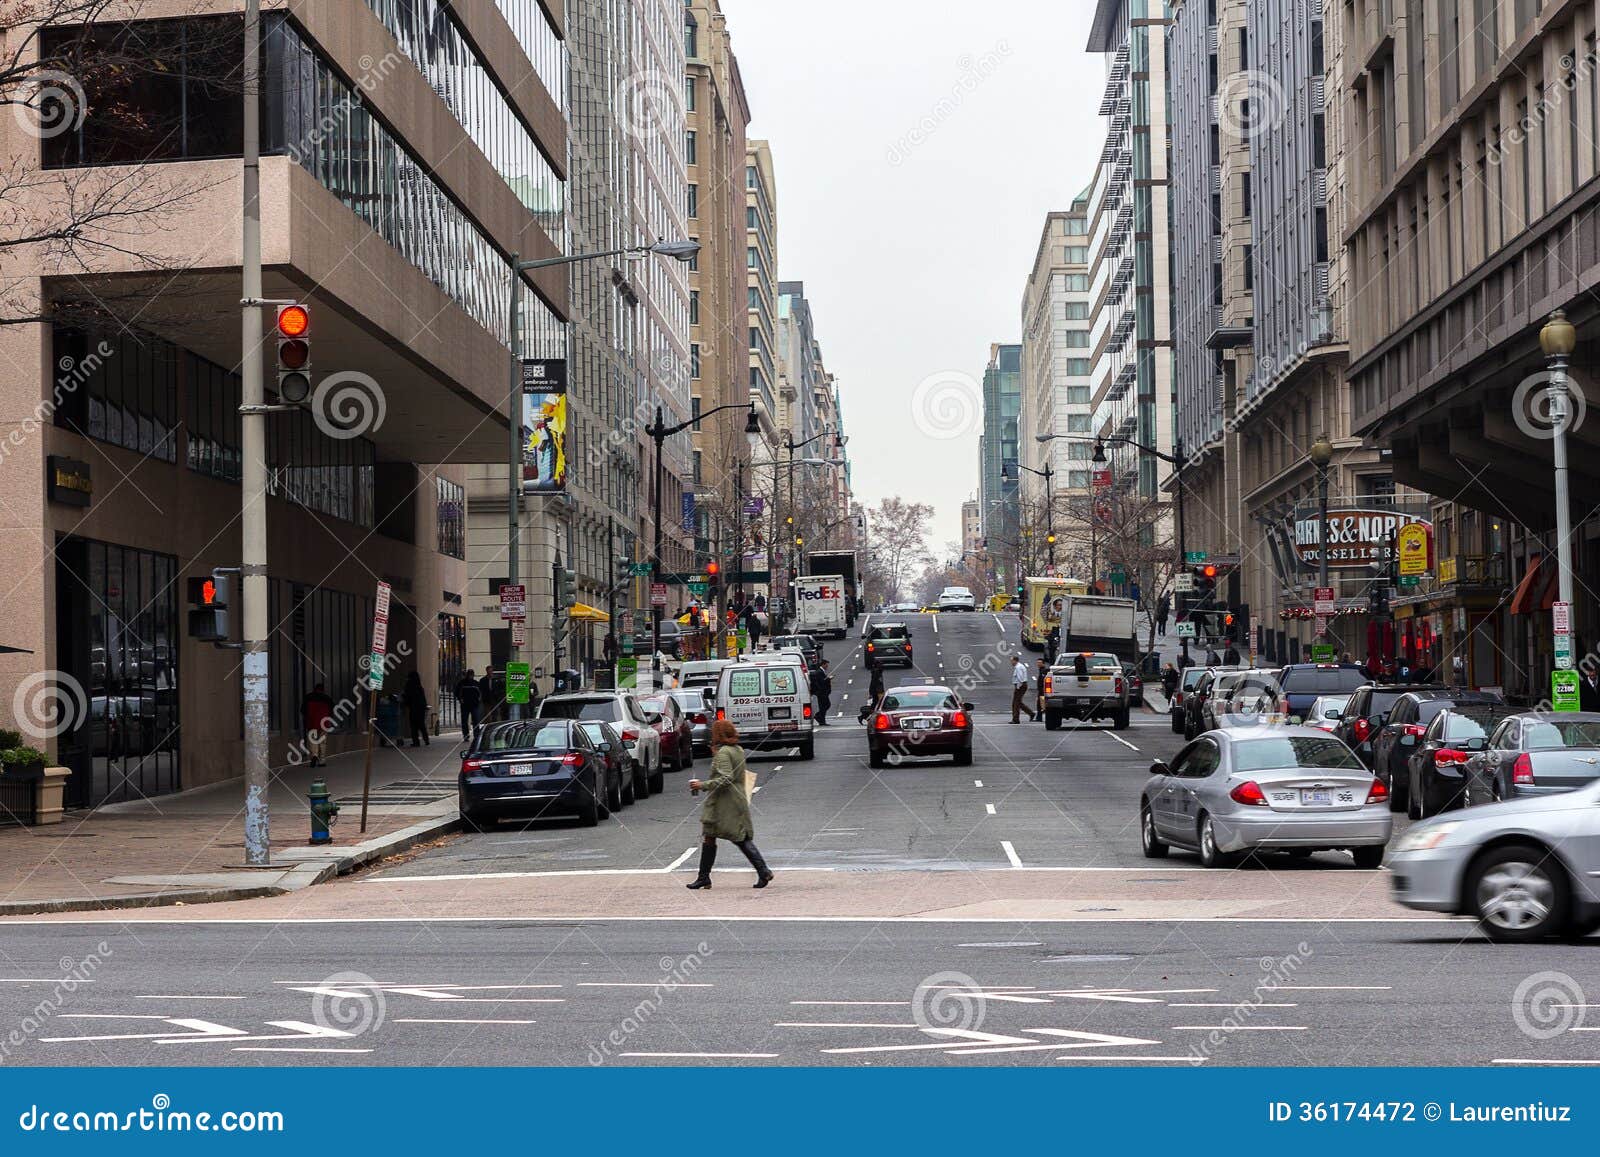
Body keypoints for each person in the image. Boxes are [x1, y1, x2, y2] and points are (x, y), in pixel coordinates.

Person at [685, 720, 773, 890]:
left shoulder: (724, 753)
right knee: (712, 835)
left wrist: (701, 785)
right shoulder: (737, 749)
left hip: (725, 803)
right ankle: (704, 877)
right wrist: (715, 755)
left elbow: (726, 778)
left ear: (718, 734)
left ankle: (763, 871)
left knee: (738, 836)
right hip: (735, 799)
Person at [301, 683, 334, 767]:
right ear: (323, 690)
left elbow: (302, 710)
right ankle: (322, 760)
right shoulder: (327, 699)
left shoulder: (308, 697)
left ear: (314, 689)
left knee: (313, 740)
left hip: (312, 723)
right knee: (323, 742)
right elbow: (331, 712)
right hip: (324, 724)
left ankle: (314, 755)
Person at [403, 671, 430, 747]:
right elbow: (423, 698)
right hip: (421, 708)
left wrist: (405, 703)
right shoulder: (419, 686)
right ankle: (426, 739)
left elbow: (407, 696)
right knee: (421, 724)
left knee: (413, 725)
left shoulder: (409, 685)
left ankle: (416, 741)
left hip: (413, 707)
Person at [455, 668, 483, 741]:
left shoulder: (476, 683)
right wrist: (460, 699)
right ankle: (466, 735)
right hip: (465, 705)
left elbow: (480, 693)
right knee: (465, 721)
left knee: (475, 721)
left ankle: (476, 735)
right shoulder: (462, 683)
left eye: (471, 675)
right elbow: (457, 692)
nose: (470, 676)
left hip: (474, 704)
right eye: (469, 675)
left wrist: (479, 700)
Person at [859, 656, 886, 724]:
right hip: (877, 691)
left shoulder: (878, 671)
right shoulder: (876, 672)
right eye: (880, 664)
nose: (882, 666)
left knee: (876, 705)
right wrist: (874, 692)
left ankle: (865, 716)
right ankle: (865, 716)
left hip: (878, 691)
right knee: (877, 705)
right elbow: (875, 683)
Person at [1010, 654, 1036, 723]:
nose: (1011, 662)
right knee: (1018, 702)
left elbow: (1020, 678)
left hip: (1020, 686)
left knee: (1015, 703)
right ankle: (1031, 713)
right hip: (1021, 686)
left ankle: (1016, 719)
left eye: (1012, 661)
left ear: (1015, 661)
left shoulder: (1018, 667)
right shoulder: (1019, 666)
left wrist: (1018, 687)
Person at [811, 659, 833, 725]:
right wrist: (829, 679)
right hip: (822, 693)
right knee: (825, 705)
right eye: (826, 665)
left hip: (823, 693)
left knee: (824, 706)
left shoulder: (821, 671)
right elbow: (822, 682)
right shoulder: (819, 672)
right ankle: (819, 717)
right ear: (823, 664)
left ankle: (820, 719)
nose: (827, 666)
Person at [1035, 656, 1050, 721]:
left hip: (1042, 691)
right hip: (1041, 690)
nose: (1038, 664)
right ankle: (1039, 717)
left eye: (1040, 663)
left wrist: (1042, 690)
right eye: (1037, 662)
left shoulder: (1044, 671)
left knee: (1041, 704)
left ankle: (1040, 717)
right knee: (1041, 704)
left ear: (1043, 663)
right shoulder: (1041, 670)